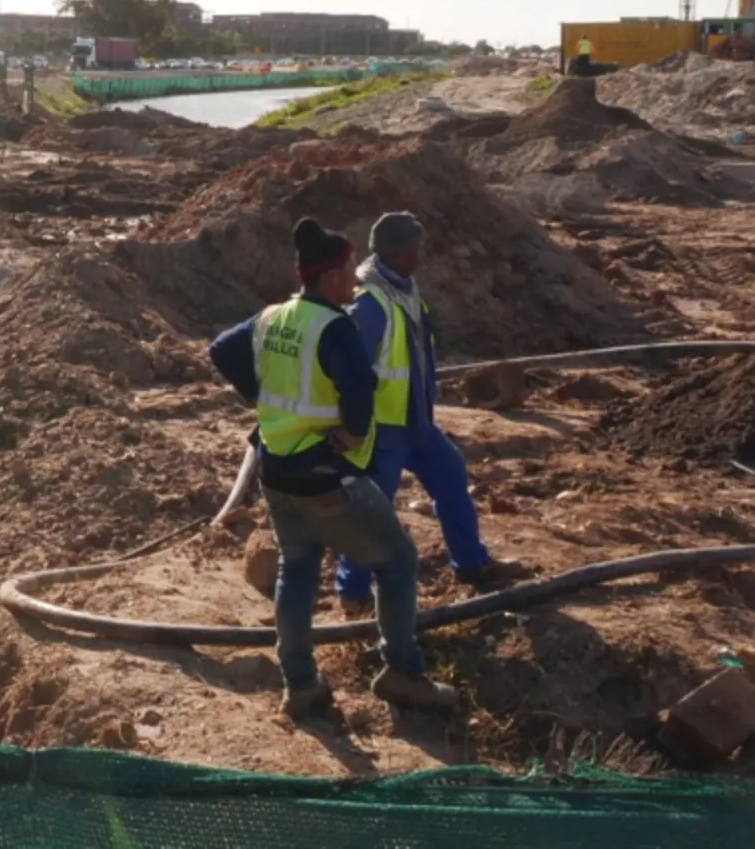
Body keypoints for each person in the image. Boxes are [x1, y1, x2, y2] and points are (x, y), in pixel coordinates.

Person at [209, 217, 459, 718]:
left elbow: (221, 349)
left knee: (298, 571)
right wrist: (349, 435)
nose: (355, 280)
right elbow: (361, 395)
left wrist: (261, 399)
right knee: (398, 561)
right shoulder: (336, 327)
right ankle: (403, 673)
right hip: (325, 477)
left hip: (277, 472)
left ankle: (301, 684)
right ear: (329, 279)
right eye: (348, 272)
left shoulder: (274, 316)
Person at [334, 213, 525, 612]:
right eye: (416, 248)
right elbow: (348, 368)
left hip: (416, 421)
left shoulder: (403, 287)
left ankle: (472, 564)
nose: (422, 254)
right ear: (399, 253)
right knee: (372, 511)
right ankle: (352, 593)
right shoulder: (371, 302)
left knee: (452, 476)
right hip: (384, 429)